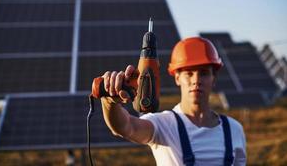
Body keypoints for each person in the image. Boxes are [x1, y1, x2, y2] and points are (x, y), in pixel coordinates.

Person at [100, 37, 246, 166]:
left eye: (204, 73)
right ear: (177, 78)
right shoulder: (162, 125)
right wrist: (109, 102)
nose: (196, 81)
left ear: (213, 78)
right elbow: (125, 127)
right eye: (189, 73)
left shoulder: (234, 130)